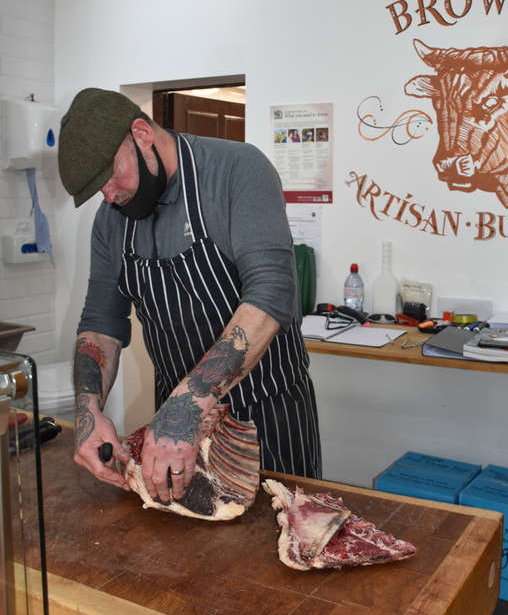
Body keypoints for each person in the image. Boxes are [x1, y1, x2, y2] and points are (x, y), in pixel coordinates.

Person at [58, 88, 321, 504]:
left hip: (268, 415)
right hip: (173, 429)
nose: (108, 194)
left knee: (281, 544)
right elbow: (100, 323)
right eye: (98, 189)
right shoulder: (111, 221)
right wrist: (88, 410)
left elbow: (271, 293)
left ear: (142, 133)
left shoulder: (236, 170)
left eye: (110, 176)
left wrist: (190, 403)